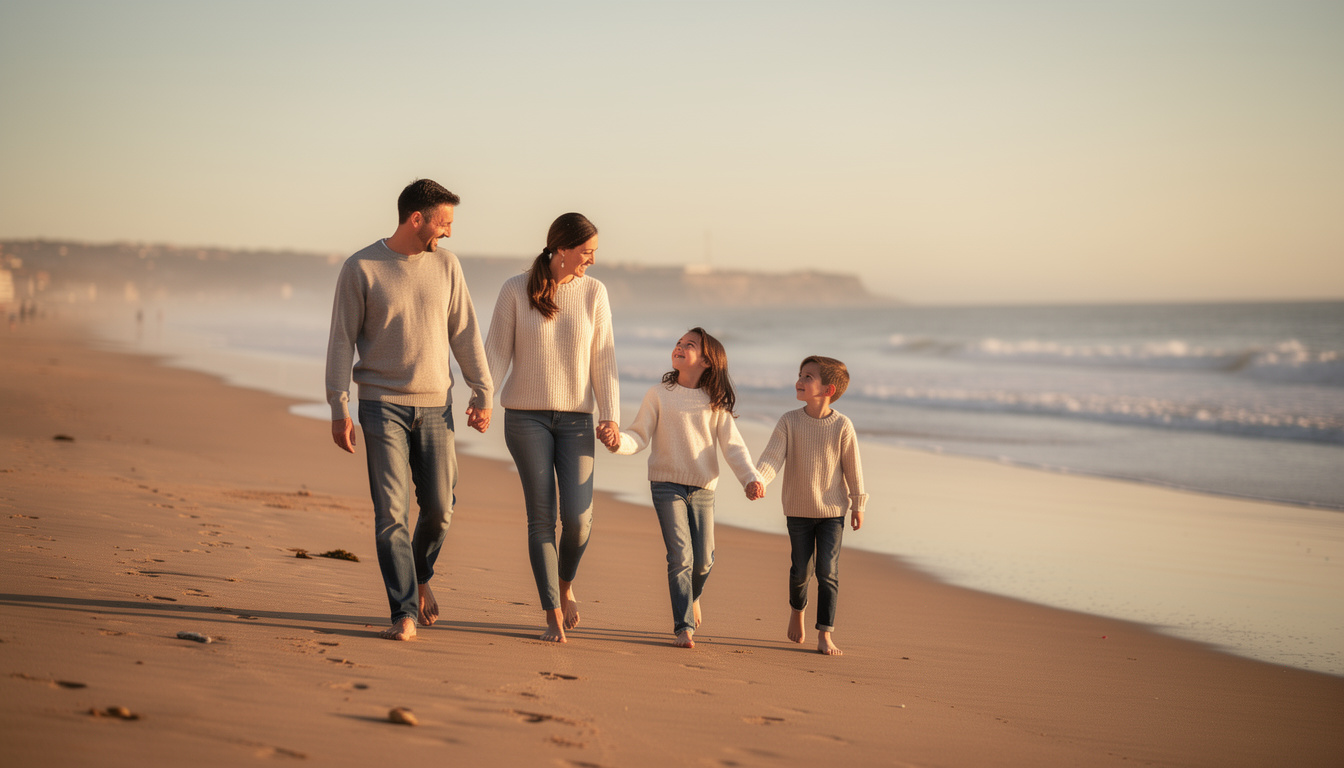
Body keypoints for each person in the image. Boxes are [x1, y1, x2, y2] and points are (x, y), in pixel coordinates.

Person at [325, 179, 493, 642]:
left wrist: (483, 388)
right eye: (445, 222)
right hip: (381, 407)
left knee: (440, 509)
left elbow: (465, 331)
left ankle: (420, 575)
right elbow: (342, 340)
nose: (450, 233)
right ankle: (403, 612)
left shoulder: (447, 265)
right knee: (391, 513)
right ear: (416, 219)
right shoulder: (361, 268)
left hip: (437, 406)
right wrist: (339, 405)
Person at [485, 212, 620, 644]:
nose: (592, 260)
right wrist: (480, 399)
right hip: (526, 418)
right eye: (587, 252)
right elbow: (495, 354)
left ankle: (565, 585)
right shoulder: (515, 289)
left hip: (577, 420)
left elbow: (604, 358)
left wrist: (610, 415)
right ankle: (551, 614)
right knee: (541, 518)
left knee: (578, 520)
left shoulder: (594, 293)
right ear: (561, 248)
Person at [608, 328, 765, 648]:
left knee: (704, 559)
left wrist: (750, 478)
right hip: (665, 483)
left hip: (703, 488)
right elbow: (639, 435)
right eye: (678, 343)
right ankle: (683, 626)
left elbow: (733, 447)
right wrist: (618, 442)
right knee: (681, 555)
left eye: (688, 345)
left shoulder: (715, 403)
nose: (679, 347)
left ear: (707, 361)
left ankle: (693, 596)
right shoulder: (658, 394)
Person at [755, 355, 867, 655]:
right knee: (800, 571)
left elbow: (853, 468)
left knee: (827, 572)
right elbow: (772, 458)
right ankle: (797, 610)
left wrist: (858, 504)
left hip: (832, 512)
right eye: (800, 375)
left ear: (828, 389)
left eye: (808, 377)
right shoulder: (789, 421)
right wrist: (759, 480)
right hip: (798, 509)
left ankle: (825, 634)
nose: (800, 381)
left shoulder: (842, 425)